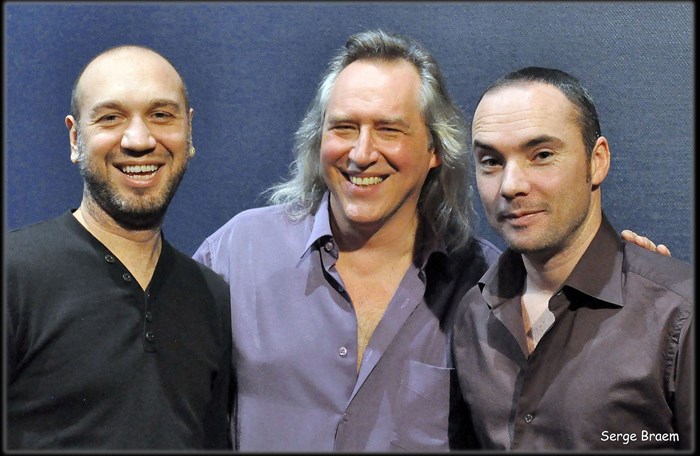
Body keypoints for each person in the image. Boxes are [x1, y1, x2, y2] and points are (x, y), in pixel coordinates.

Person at [194, 31, 666, 451]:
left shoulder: (489, 286)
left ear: (435, 149)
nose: (361, 153)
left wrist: (632, 300)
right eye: (344, 127)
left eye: (389, 130)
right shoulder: (238, 252)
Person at [452, 67, 692, 450]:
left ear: (597, 161)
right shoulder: (473, 315)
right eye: (491, 161)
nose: (511, 185)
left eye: (542, 155)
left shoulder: (677, 315)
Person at [6, 45, 233, 450]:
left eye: (161, 115)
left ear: (189, 132)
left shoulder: (210, 297)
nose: (139, 140)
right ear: (75, 138)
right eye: (111, 117)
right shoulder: (13, 275)